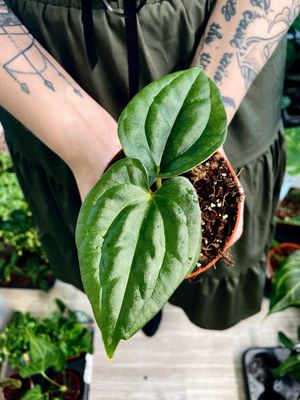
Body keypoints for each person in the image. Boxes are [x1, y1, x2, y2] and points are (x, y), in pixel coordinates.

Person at [0, 0, 297, 330]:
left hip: (224, 37)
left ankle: (163, 307)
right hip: (47, 68)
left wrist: (199, 122)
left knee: (204, 235)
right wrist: (83, 140)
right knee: (117, 257)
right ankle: (141, 315)